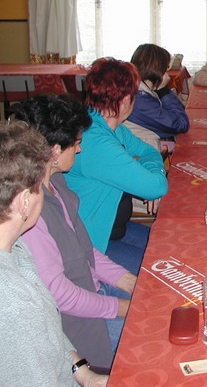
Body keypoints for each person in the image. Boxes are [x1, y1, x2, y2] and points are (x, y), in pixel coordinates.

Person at [0, 122, 108, 386]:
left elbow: (49, 331)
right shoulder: (14, 307)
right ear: (24, 201)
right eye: (39, 187)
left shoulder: (6, 246)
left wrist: (85, 374)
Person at [10, 94, 136, 373]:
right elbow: (61, 295)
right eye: (76, 143)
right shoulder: (31, 213)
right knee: (154, 335)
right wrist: (124, 307)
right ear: (55, 151)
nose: (78, 150)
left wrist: (130, 282)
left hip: (93, 294)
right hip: (78, 328)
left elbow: (85, 250)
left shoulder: (57, 183)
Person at [65, 58, 168, 274]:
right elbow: (156, 186)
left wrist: (151, 171)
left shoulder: (105, 125)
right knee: (161, 272)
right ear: (126, 100)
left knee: (167, 247)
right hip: (90, 245)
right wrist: (152, 177)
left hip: (113, 228)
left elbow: (149, 152)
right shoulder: (97, 142)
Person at [125, 43, 189, 151]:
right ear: (159, 69)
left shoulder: (137, 88)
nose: (168, 71)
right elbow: (181, 124)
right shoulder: (140, 100)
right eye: (166, 67)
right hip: (142, 154)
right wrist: (163, 91)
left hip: (140, 148)